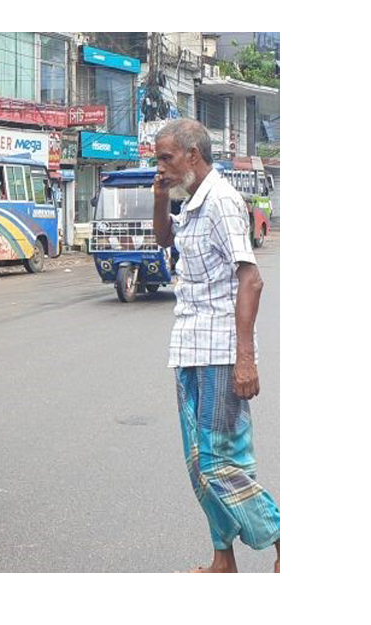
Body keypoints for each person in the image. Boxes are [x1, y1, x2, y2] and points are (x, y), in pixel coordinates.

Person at [151, 119, 280, 573]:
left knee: (219, 462)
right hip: (189, 347)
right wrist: (159, 196)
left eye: (165, 158)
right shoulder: (190, 201)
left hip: (222, 353)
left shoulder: (222, 200)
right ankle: (222, 557)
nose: (159, 166)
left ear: (192, 155)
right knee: (197, 462)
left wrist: (246, 360)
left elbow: (251, 279)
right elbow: (164, 240)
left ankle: (284, 536)